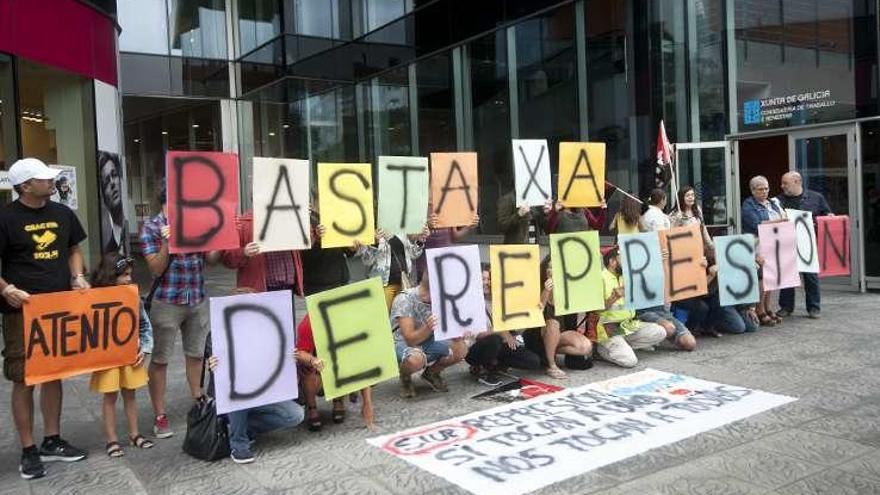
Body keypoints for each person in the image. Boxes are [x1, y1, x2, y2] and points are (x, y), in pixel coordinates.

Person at [0, 158, 90, 479]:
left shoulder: (62, 213)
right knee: (24, 378)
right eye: (44, 179)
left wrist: (77, 276)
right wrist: (7, 287)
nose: (52, 182)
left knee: (54, 373)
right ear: (26, 186)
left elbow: (73, 249)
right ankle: (28, 450)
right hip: (21, 311)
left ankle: (52, 440)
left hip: (58, 308)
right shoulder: (6, 218)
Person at [140, 186, 221, 439]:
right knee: (161, 359)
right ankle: (160, 414)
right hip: (166, 301)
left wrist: (219, 237)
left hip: (195, 298)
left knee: (196, 354)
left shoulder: (195, 222)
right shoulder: (151, 227)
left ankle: (197, 398)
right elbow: (155, 268)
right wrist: (167, 242)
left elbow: (211, 259)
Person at [89, 254, 155, 458]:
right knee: (110, 397)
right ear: (111, 276)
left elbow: (144, 324)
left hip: (130, 354)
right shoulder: (94, 299)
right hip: (107, 358)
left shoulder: (133, 297)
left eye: (130, 275)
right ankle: (112, 440)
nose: (128, 279)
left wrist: (144, 348)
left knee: (130, 394)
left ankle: (134, 434)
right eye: (124, 275)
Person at [207, 354, 304, 464]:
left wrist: (289, 359)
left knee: (295, 415)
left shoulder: (269, 337)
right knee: (239, 393)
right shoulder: (218, 336)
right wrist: (213, 365)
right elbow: (216, 363)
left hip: (261, 391)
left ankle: (241, 429)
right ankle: (238, 445)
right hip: (232, 394)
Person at [390, 275, 466, 398]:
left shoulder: (443, 298)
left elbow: (450, 330)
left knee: (461, 349)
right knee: (416, 360)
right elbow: (410, 339)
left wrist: (458, 336)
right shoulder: (404, 299)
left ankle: (431, 373)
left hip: (429, 339)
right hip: (402, 342)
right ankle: (405, 376)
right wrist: (427, 327)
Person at [465, 264, 541, 385]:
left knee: (533, 361)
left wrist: (536, 308)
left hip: (500, 344)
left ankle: (498, 364)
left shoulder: (501, 300)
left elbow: (520, 320)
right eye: (483, 279)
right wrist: (501, 332)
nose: (487, 282)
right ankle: (485, 369)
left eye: (489, 279)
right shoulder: (471, 302)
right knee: (494, 340)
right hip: (475, 350)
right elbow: (478, 335)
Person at [521, 256, 593, 379]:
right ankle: (551, 365)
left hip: (558, 335)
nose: (550, 270)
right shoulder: (536, 286)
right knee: (553, 324)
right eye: (548, 267)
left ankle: (549, 351)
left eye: (554, 267)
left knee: (585, 347)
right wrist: (546, 291)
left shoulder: (565, 290)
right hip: (537, 334)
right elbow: (537, 312)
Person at [595, 247, 667, 368]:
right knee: (630, 361)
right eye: (622, 259)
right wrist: (614, 297)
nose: (627, 263)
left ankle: (622, 346)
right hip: (608, 328)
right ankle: (599, 350)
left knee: (660, 332)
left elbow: (647, 276)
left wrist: (657, 261)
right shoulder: (600, 278)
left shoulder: (625, 276)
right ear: (612, 262)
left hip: (627, 325)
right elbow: (596, 310)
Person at [777, 171, 831, 319]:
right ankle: (786, 307)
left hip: (808, 243)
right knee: (787, 275)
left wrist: (828, 218)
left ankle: (814, 308)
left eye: (785, 183)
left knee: (810, 276)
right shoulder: (778, 201)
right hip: (787, 242)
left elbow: (826, 215)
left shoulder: (816, 198)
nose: (782, 186)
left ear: (797, 181)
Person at [220, 209, 304, 295]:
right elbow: (228, 260)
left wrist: (307, 224)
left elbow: (306, 242)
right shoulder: (244, 223)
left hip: (288, 287)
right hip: (260, 290)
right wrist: (244, 252)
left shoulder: (291, 219)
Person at [741, 175, 785, 326]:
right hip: (758, 244)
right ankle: (759, 309)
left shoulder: (773, 203)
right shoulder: (748, 205)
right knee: (761, 277)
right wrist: (780, 222)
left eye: (766, 188)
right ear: (753, 190)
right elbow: (757, 224)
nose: (764, 191)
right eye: (760, 189)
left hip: (774, 243)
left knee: (771, 276)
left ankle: (767, 307)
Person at [295, 314, 347, 430]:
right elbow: (299, 353)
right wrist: (312, 360)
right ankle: (311, 408)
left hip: (336, 368)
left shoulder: (345, 317)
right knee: (307, 370)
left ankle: (338, 401)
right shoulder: (307, 323)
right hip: (314, 372)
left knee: (342, 361)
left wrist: (367, 403)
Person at [355, 227, 428, 309]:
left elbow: (413, 255)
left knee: (401, 316)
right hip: (383, 285)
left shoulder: (402, 233)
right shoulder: (373, 233)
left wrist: (420, 241)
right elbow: (368, 261)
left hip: (403, 283)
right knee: (384, 316)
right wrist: (375, 242)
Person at [668, 185, 714, 252]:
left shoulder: (697, 209)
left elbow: (703, 229)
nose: (691, 197)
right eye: (687, 195)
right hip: (682, 250)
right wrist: (677, 221)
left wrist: (711, 245)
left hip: (697, 247)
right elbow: (670, 233)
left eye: (692, 195)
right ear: (681, 198)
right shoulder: (674, 214)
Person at [98, 151, 127, 254]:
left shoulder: (126, 228)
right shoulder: (109, 244)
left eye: (114, 175)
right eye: (106, 182)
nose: (112, 184)